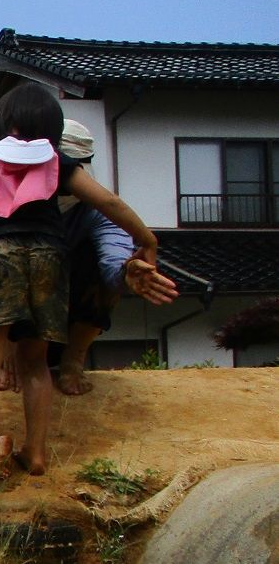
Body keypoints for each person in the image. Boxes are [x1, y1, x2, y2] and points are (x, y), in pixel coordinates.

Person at [0, 82, 161, 482]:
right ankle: (37, 452)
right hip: (50, 259)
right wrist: (147, 240)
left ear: (3, 122)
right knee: (35, 361)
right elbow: (108, 202)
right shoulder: (58, 163)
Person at [53, 119, 179, 395]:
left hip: (70, 308)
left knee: (101, 269)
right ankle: (7, 355)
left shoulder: (95, 210)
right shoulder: (11, 196)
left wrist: (129, 270)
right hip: (19, 312)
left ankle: (73, 359)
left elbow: (113, 259)